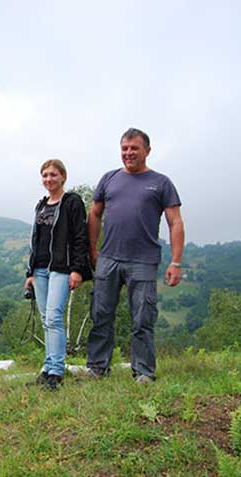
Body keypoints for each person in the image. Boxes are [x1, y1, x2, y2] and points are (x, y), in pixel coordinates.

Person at [86, 128, 184, 383]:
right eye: (124, 149)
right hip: (108, 258)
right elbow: (94, 214)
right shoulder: (109, 178)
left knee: (142, 318)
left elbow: (175, 222)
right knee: (101, 314)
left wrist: (176, 261)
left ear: (147, 151)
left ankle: (143, 372)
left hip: (143, 260)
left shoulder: (162, 183)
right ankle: (97, 367)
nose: (128, 153)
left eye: (134, 148)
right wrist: (93, 249)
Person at [24, 159, 90, 390]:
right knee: (45, 320)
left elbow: (81, 237)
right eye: (45, 175)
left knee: (53, 317)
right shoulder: (41, 205)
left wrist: (78, 269)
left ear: (63, 176)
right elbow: (36, 240)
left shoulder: (72, 202)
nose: (49, 179)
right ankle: (48, 367)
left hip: (62, 268)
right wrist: (30, 272)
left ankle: (57, 372)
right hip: (40, 269)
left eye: (53, 174)